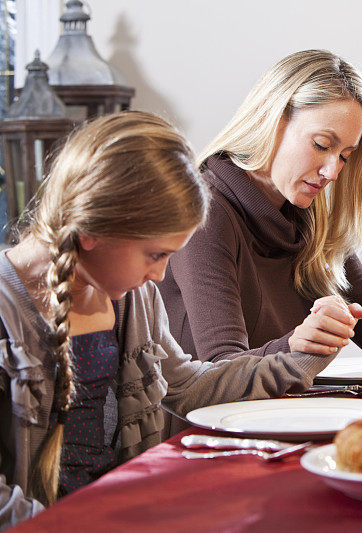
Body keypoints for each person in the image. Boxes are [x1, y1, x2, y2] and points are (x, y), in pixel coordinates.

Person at [0, 112, 335, 528]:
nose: (159, 275)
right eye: (155, 255)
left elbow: (188, 386)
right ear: (91, 229)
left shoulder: (134, 300)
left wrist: (301, 354)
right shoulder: (8, 313)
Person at [157, 50, 362, 366]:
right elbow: (222, 368)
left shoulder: (310, 217)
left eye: (344, 156)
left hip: (284, 411)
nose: (333, 172)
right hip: (209, 415)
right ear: (267, 119)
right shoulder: (205, 210)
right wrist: (295, 345)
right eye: (322, 145)